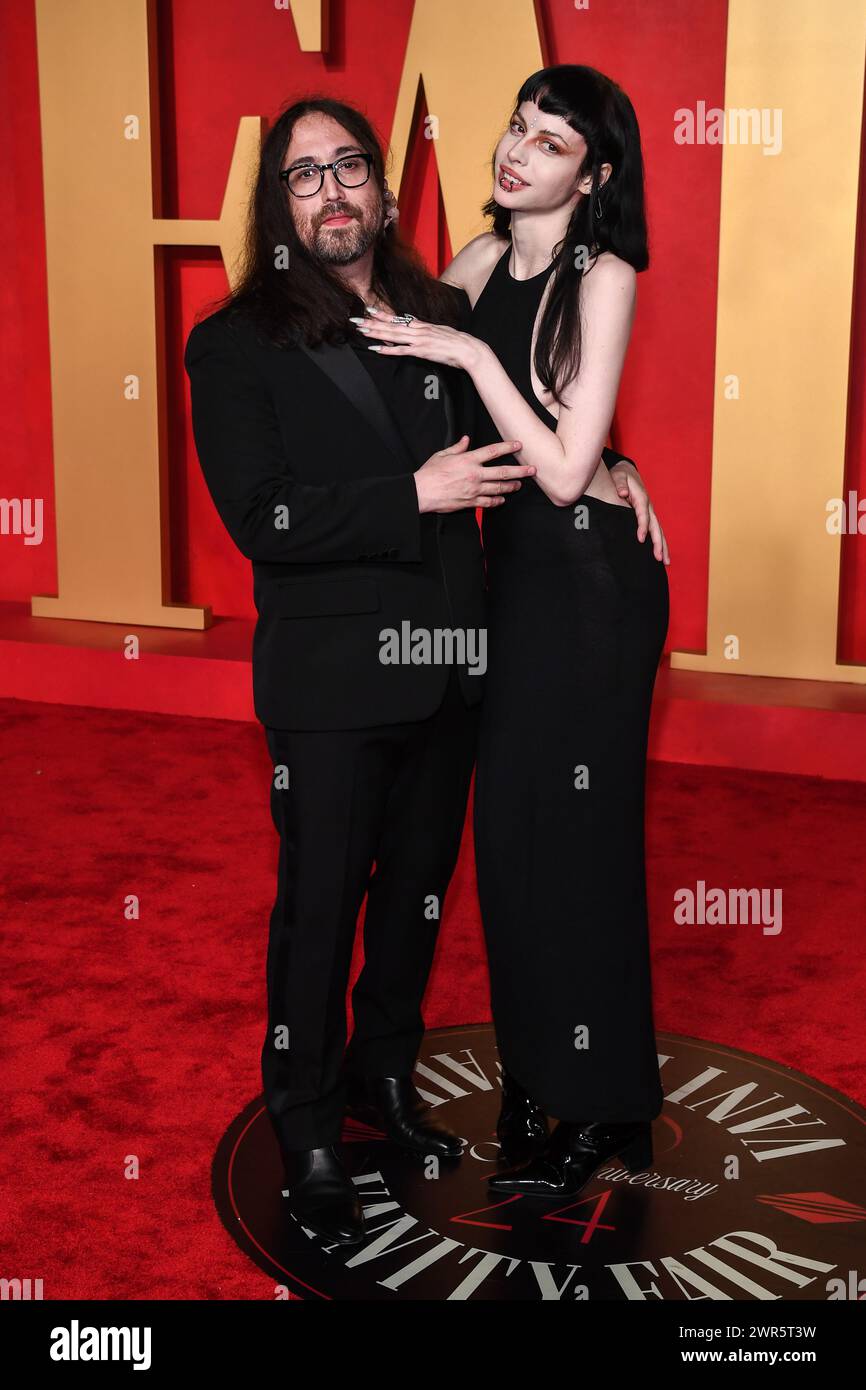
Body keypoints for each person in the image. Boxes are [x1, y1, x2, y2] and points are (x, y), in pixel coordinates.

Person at [185, 95, 660, 1246]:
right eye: (305, 179)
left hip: (456, 666)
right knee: (319, 913)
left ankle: (380, 1084)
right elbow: (261, 516)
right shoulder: (232, 340)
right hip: (332, 683)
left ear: (382, 188)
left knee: (414, 907)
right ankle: (304, 1124)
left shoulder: (443, 301)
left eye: (349, 166)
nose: (332, 192)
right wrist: (411, 495)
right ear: (280, 208)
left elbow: (542, 421)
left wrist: (613, 467)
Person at [351, 65, 670, 1200]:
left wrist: (481, 360)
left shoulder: (605, 272)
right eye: (517, 128)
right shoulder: (481, 262)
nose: (516, 152)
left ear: (594, 175)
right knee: (512, 848)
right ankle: (539, 1072)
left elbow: (564, 465)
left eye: (550, 142)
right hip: (513, 587)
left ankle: (609, 1100)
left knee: (579, 849)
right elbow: (395, 366)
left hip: (594, 592)